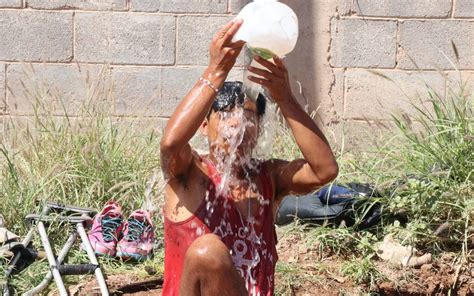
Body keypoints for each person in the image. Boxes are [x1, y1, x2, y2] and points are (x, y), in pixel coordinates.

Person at [160, 19, 338, 296]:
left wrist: (286, 99)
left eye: (249, 115)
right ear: (204, 126)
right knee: (208, 252)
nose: (238, 123)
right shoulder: (189, 173)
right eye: (227, 113)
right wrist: (216, 71)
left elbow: (324, 170)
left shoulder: (269, 177)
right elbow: (171, 144)